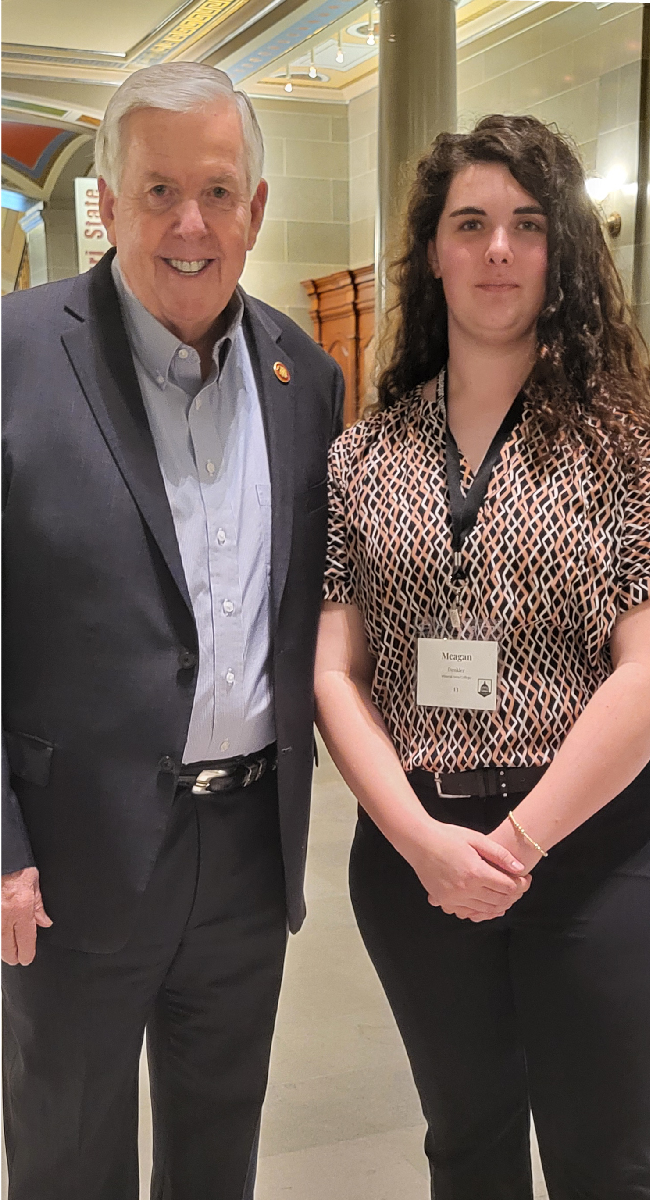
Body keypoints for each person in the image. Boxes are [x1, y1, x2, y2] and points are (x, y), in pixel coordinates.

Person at [0, 62, 343, 1198]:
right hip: (73, 862)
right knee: (69, 1158)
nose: (189, 224)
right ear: (105, 203)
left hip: (247, 855)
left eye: (217, 191)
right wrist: (2, 848)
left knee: (217, 1158)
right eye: (157, 192)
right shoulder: (11, 361)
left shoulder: (309, 376)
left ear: (254, 203)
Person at [316, 113, 650, 1195]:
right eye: (470, 223)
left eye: (526, 223)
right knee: (466, 1142)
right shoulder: (362, 455)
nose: (497, 248)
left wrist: (514, 843)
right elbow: (335, 671)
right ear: (433, 252)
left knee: (609, 1155)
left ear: (563, 254)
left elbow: (646, 671)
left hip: (595, 851)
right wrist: (420, 841)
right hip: (415, 854)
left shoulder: (623, 442)